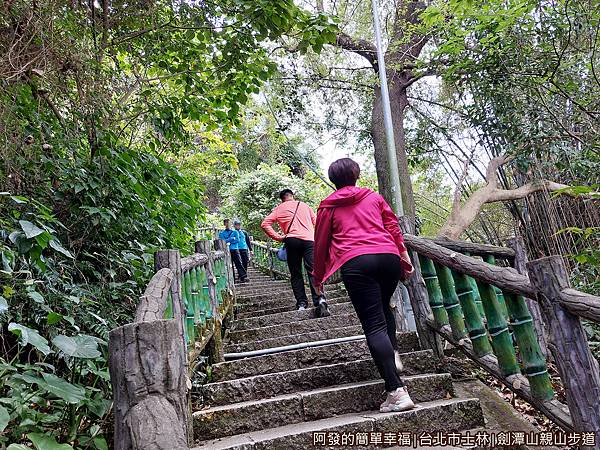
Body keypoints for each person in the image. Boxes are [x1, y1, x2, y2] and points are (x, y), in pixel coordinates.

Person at [312, 158, 416, 413]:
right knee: (383, 308)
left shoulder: (328, 207)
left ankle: (396, 391)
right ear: (356, 175)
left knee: (373, 324)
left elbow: (321, 243)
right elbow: (392, 227)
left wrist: (318, 278)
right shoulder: (374, 198)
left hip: (356, 262)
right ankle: (392, 356)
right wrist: (402, 255)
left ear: (333, 180)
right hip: (388, 257)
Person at [261, 189, 329, 316]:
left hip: (292, 241)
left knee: (296, 273)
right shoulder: (304, 206)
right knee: (313, 271)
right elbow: (317, 222)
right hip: (309, 240)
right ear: (292, 196)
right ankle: (320, 299)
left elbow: (265, 224)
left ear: (282, 199)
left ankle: (302, 303)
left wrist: (278, 237)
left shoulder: (279, 209)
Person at [218, 219, 247, 283]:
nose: (228, 224)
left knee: (239, 263)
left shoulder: (235, 232)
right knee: (229, 264)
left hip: (235, 250)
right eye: (226, 223)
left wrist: (228, 240)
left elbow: (237, 240)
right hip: (227, 251)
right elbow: (222, 241)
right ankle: (232, 279)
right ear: (224, 224)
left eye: (229, 223)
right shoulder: (222, 233)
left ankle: (243, 276)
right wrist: (231, 238)